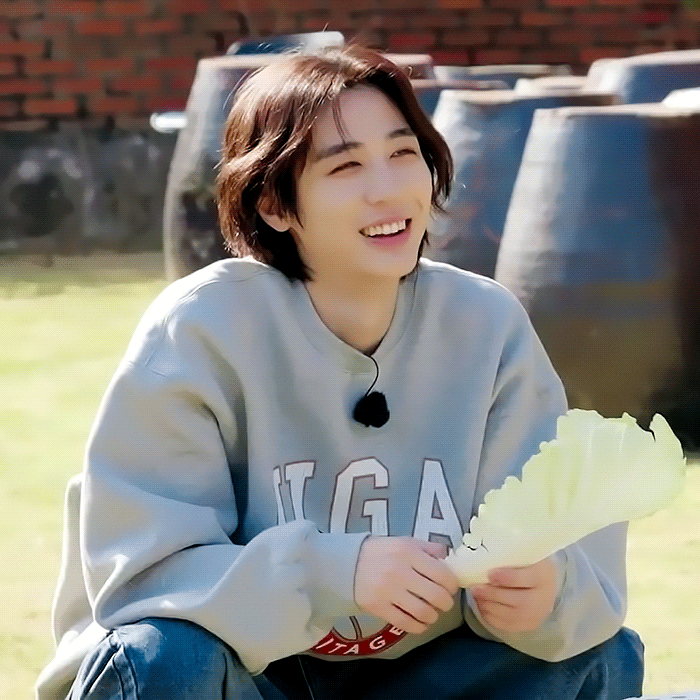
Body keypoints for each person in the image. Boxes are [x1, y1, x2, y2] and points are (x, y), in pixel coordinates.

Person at [36, 45, 644, 700]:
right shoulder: (202, 327)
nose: (388, 189)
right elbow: (145, 579)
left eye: (403, 153)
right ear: (274, 204)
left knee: (597, 655)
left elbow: (570, 551)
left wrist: (546, 591)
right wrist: (335, 573)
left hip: (422, 677)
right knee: (164, 656)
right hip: (249, 675)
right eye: (346, 165)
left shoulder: (485, 325)